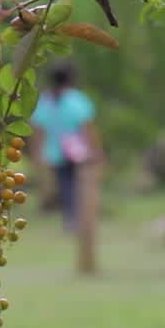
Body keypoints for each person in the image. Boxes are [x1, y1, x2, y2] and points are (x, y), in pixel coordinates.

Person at [31, 63, 101, 231]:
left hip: (55, 153)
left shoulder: (45, 101)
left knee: (65, 185)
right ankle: (78, 218)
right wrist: (95, 149)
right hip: (78, 151)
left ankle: (70, 218)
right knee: (77, 185)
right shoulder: (77, 99)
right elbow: (87, 128)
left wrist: (37, 154)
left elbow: (38, 130)